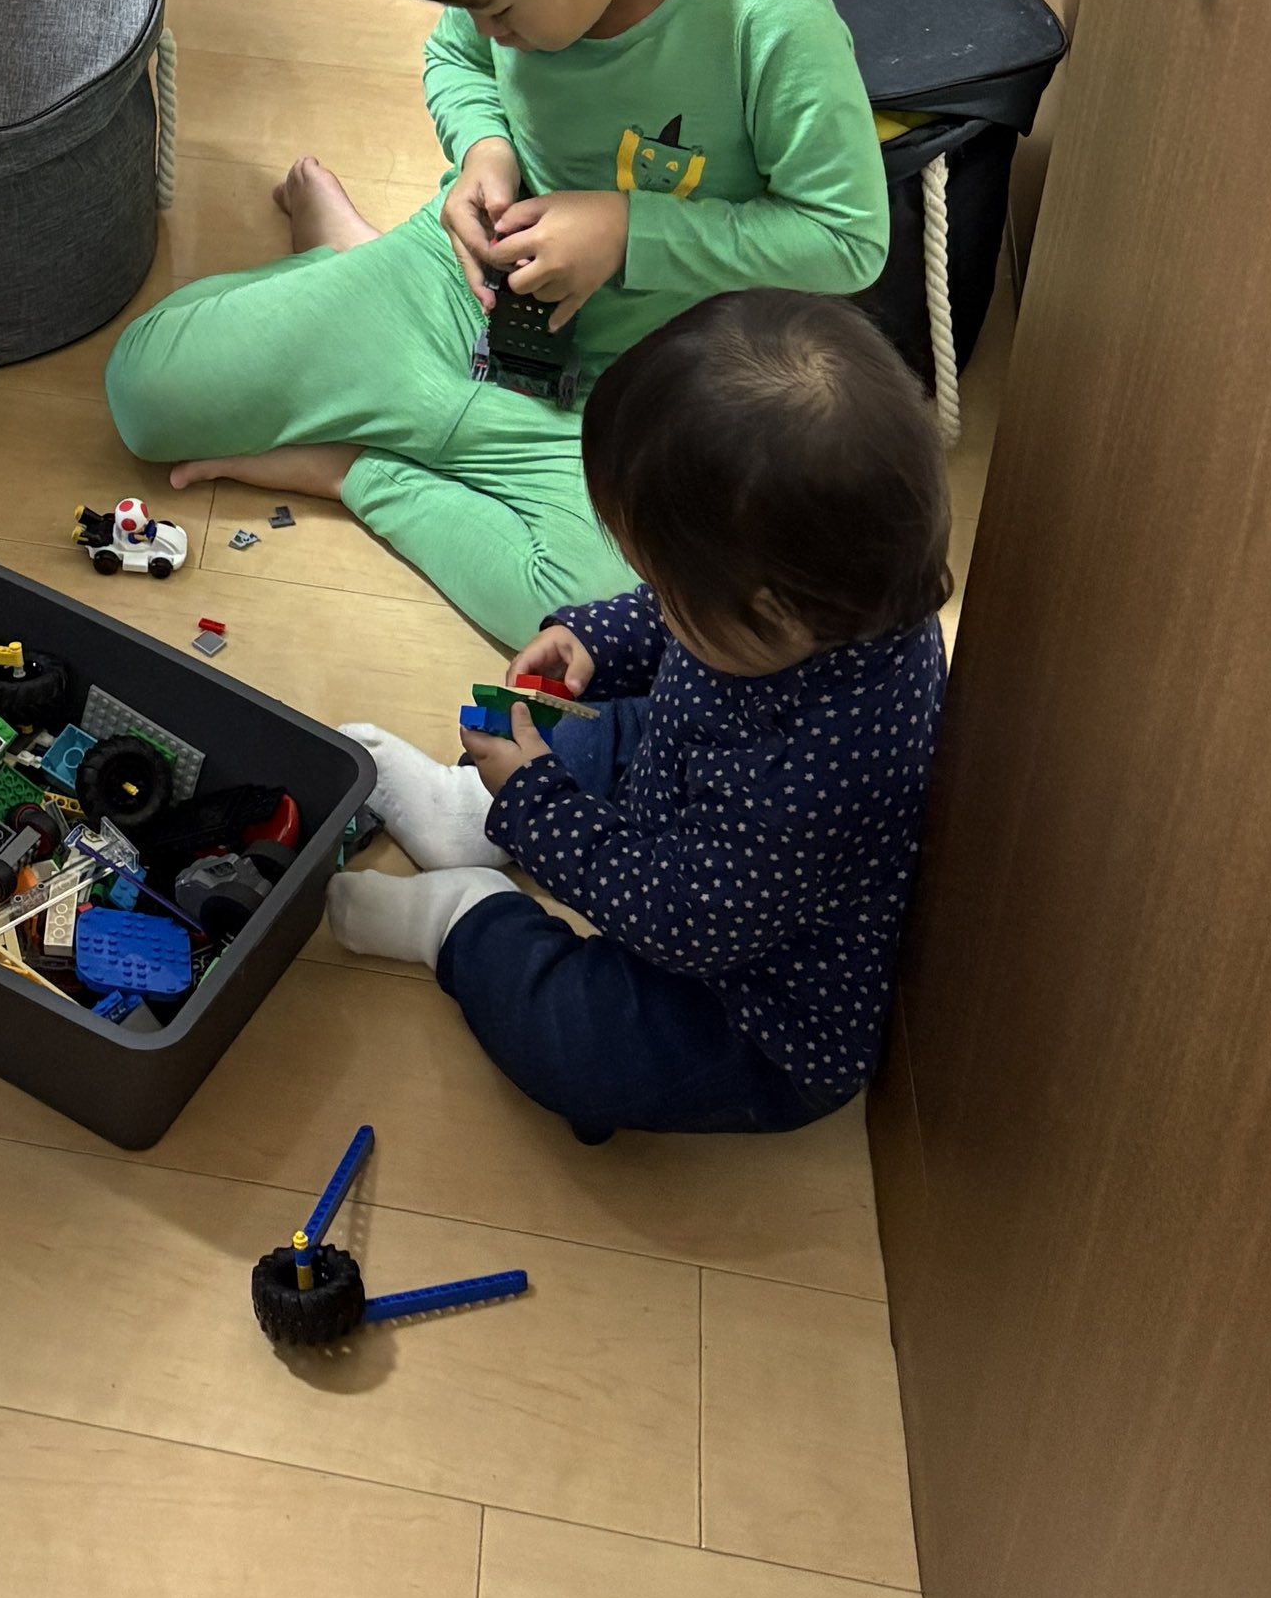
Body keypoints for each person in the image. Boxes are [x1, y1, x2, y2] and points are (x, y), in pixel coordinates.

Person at [100, 0, 889, 644]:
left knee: (595, 614)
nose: (487, 31)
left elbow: (847, 239)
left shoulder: (772, 19)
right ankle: (355, 273)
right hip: (463, 287)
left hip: (631, 382)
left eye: (500, 10)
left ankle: (351, 461)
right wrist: (483, 151)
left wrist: (627, 230)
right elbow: (458, 60)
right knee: (146, 395)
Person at [328, 292, 952, 1138]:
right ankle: (466, 811)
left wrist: (538, 803)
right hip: (687, 788)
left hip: (743, 1007)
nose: (652, 593)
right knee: (608, 724)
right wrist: (598, 638)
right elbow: (680, 621)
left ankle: (459, 918)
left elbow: (681, 920)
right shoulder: (824, 585)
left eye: (662, 583)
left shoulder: (815, 780)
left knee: (579, 1050)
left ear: (768, 613)